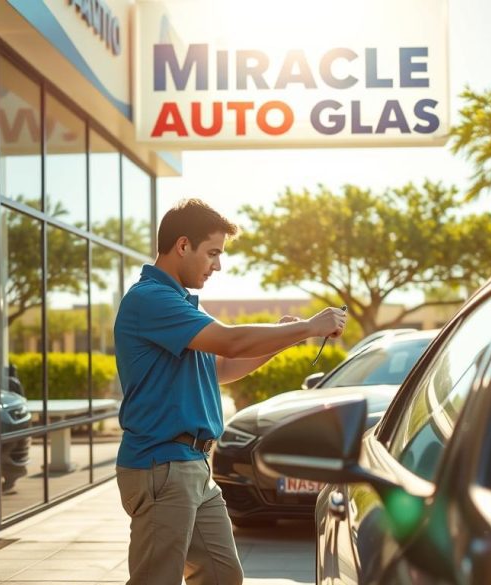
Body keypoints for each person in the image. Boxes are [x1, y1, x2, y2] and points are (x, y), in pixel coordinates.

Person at [113, 198, 347, 585]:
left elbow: (222, 367)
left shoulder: (179, 304)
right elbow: (231, 342)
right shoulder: (150, 300)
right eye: (213, 253)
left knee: (222, 576)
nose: (217, 266)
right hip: (161, 465)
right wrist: (307, 327)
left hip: (194, 467)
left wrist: (284, 340)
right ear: (183, 245)